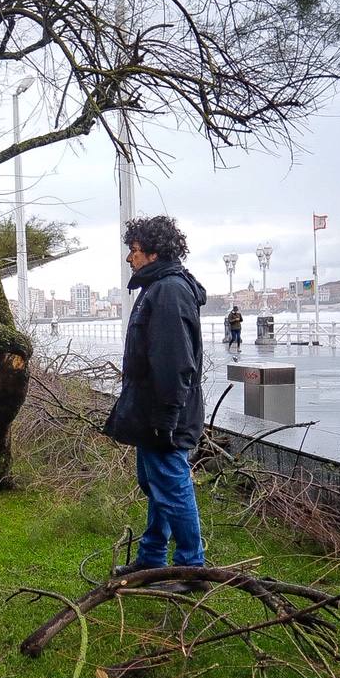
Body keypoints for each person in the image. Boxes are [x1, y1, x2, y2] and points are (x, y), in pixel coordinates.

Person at [103, 216, 208, 594]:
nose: (129, 259)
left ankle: (191, 571)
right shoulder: (157, 287)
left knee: (172, 486)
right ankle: (151, 558)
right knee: (156, 484)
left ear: (153, 252)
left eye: (133, 251)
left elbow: (175, 359)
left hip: (166, 414)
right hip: (153, 411)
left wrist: (167, 416)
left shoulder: (168, 291)